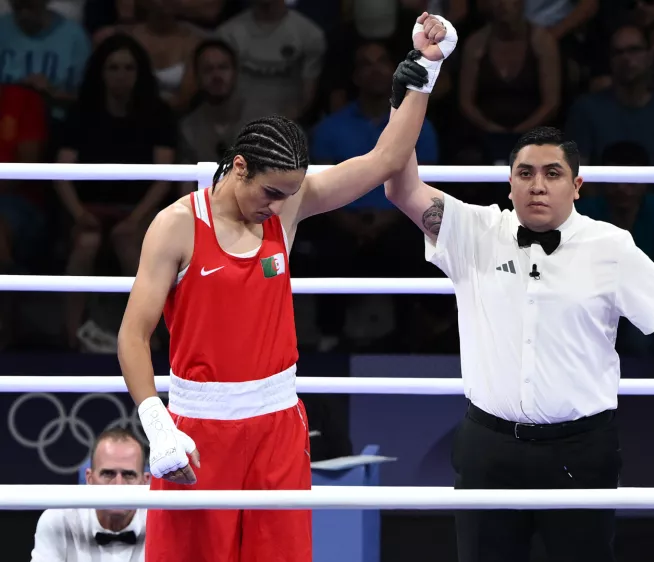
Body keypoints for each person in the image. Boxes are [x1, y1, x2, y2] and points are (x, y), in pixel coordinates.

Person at [116, 13, 458, 562]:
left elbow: (385, 160)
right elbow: (133, 335)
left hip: (278, 424)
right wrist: (157, 425)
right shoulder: (176, 225)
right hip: (199, 429)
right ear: (240, 168)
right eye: (271, 192)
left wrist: (423, 69)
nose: (279, 206)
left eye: (289, 194)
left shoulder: (286, 205)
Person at [383, 125, 654, 562]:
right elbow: (400, 188)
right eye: (525, 173)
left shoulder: (611, 247)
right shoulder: (475, 230)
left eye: (552, 173)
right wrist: (417, 84)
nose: (537, 185)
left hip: (580, 451)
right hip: (489, 447)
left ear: (577, 186)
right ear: (509, 183)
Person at [30, 426, 149, 562]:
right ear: (89, 479)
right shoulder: (59, 520)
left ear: (145, 481)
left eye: (129, 475)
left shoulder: (163, 525)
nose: (118, 485)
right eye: (108, 474)